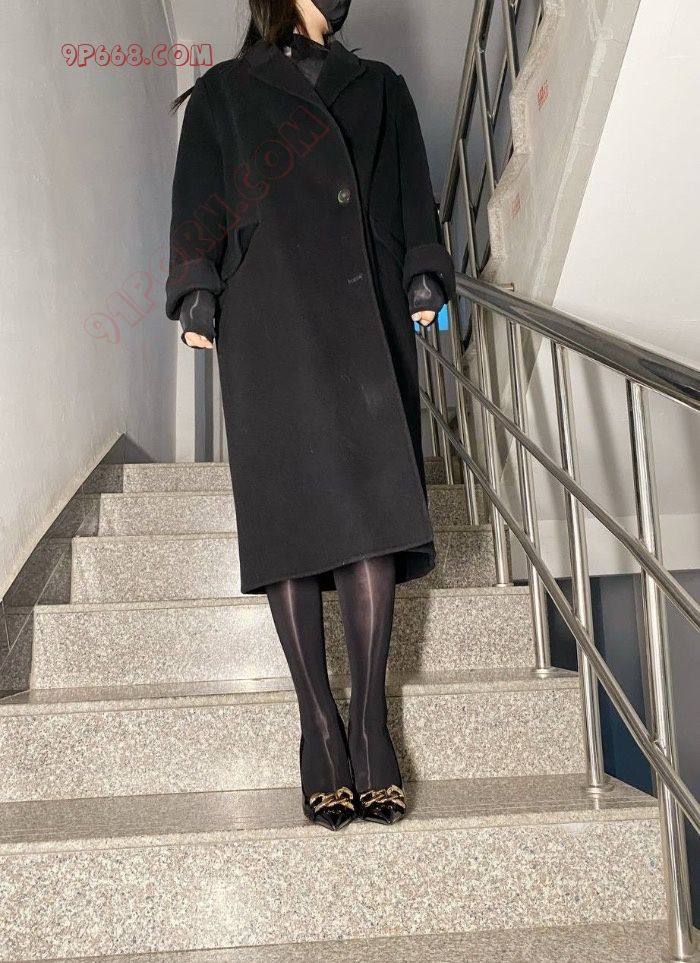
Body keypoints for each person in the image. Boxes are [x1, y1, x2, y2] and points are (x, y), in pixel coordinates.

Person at [165, 0, 456, 831]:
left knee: (372, 508)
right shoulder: (224, 90)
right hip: (269, 309)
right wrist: (197, 284)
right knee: (288, 510)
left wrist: (423, 271)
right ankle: (318, 726)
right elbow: (199, 196)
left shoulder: (380, 85)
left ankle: (369, 722)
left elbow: (410, 190)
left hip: (366, 303)